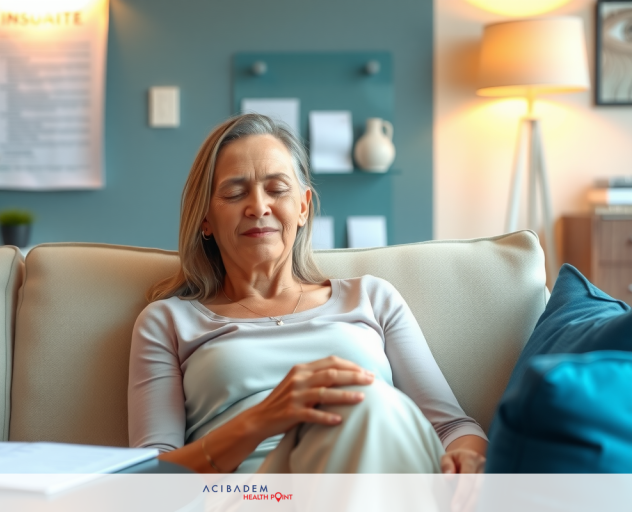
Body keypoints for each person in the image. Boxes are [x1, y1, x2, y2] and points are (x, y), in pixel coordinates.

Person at [128, 114, 488, 473]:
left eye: (277, 189)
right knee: (361, 401)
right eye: (235, 193)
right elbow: (149, 478)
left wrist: (466, 457)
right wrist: (262, 420)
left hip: (393, 477)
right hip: (257, 496)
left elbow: (452, 427)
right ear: (205, 218)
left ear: (302, 206)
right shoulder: (169, 321)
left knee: (369, 402)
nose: (258, 207)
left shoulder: (372, 298)